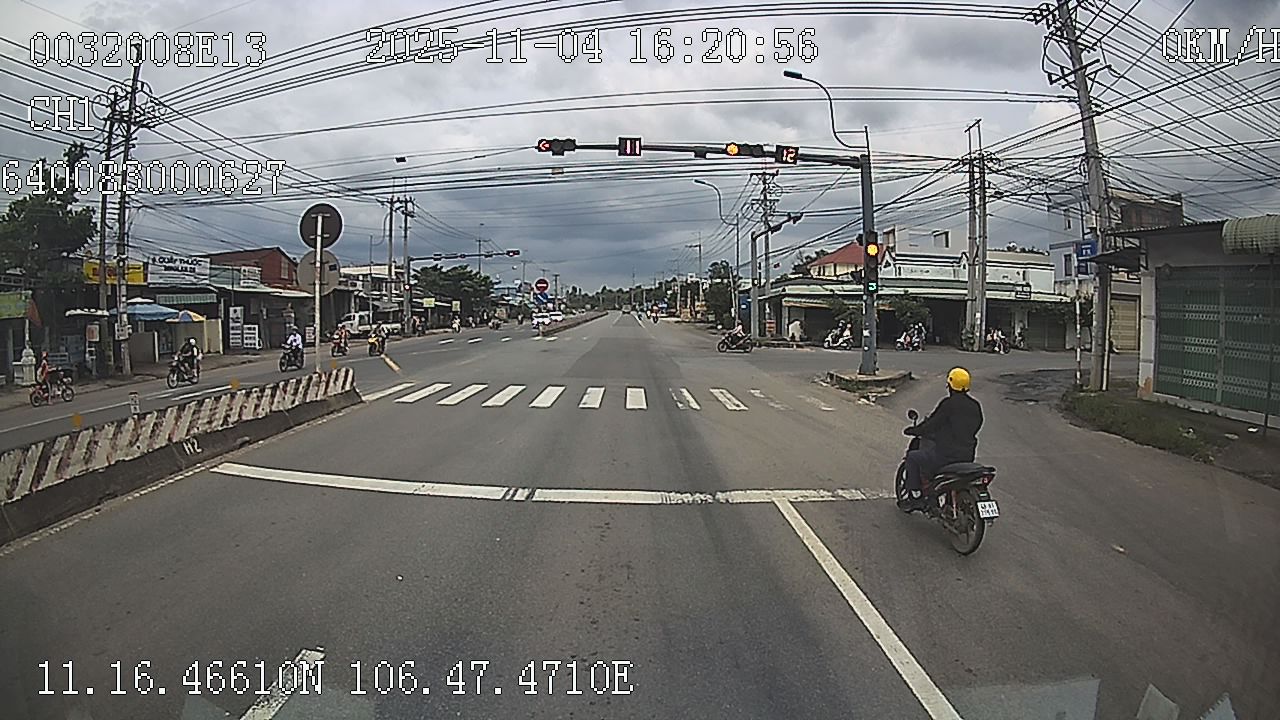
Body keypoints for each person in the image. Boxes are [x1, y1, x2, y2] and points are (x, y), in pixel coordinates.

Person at [901, 367, 984, 511]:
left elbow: (932, 424)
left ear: (950, 385)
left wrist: (914, 431)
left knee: (913, 457)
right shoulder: (975, 406)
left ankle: (915, 497)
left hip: (945, 456)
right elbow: (977, 425)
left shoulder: (948, 404)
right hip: (967, 456)